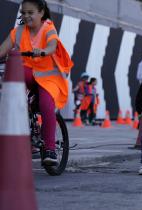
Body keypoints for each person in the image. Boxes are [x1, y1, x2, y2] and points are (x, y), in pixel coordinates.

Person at [0, 0, 73, 165]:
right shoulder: (17, 32)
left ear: (41, 12)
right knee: (11, 91)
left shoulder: (48, 28)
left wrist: (43, 51)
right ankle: (25, 130)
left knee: (46, 105)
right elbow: (2, 50)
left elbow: (52, 46)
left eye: (30, 12)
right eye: (23, 13)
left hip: (49, 78)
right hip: (27, 73)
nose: (26, 16)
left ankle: (49, 149)